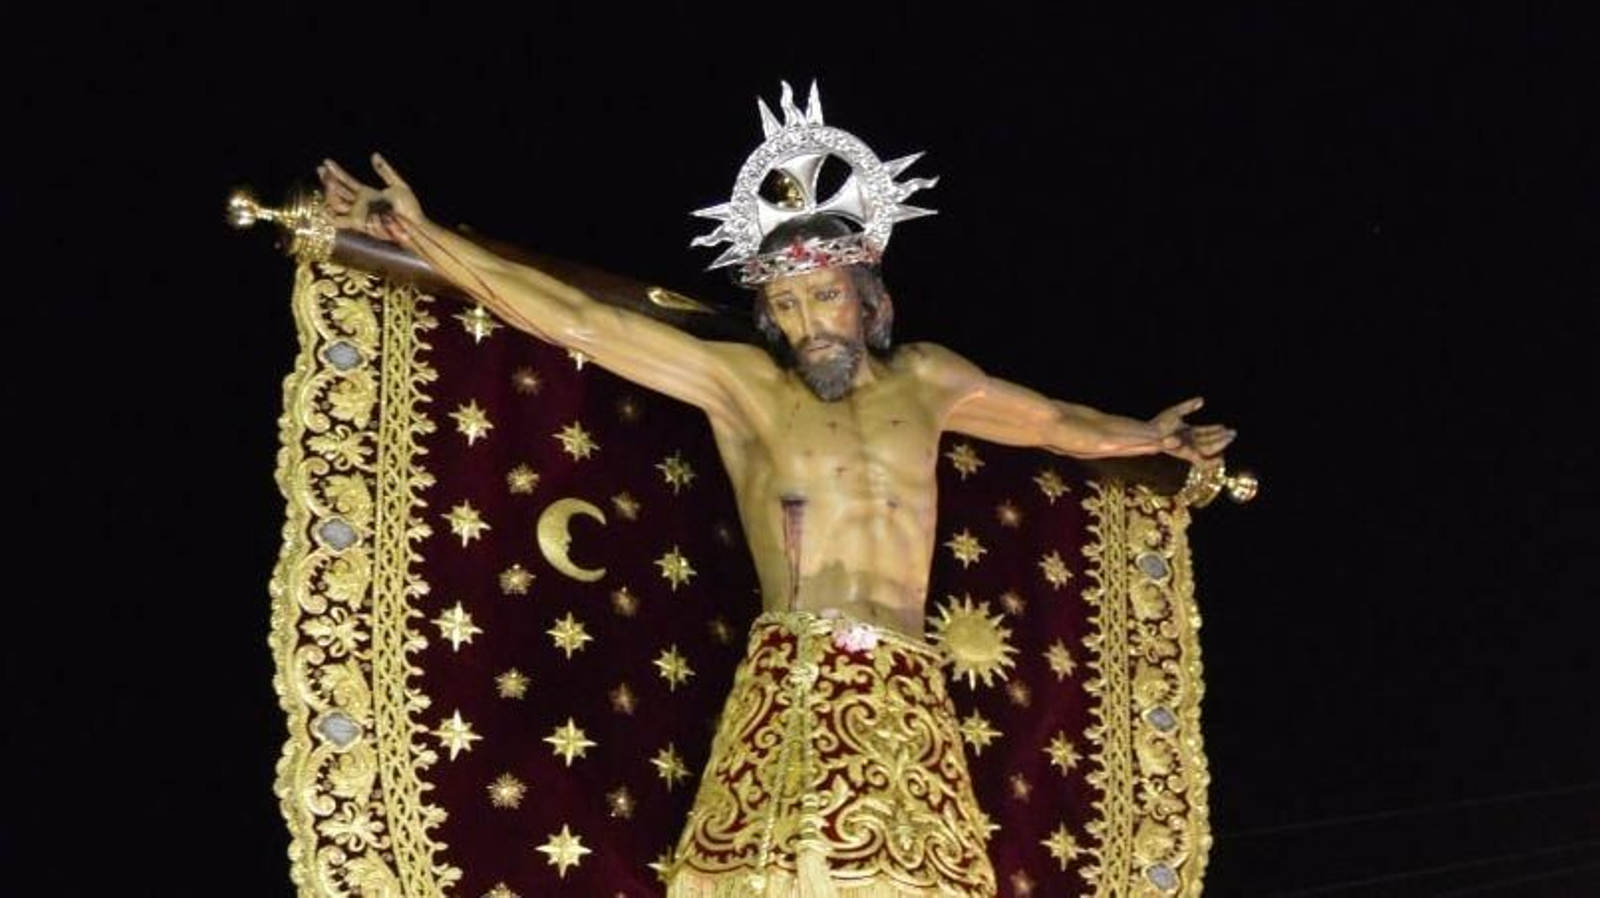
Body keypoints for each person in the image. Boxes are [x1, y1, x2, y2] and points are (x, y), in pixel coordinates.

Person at [317, 83, 1233, 898]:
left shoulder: (930, 381)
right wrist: (421, 234)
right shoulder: (747, 391)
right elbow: (581, 321)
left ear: (867, 298)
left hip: (912, 690)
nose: (808, 326)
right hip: (797, 680)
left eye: (825, 299)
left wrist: (1149, 437)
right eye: (788, 308)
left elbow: (1052, 425)